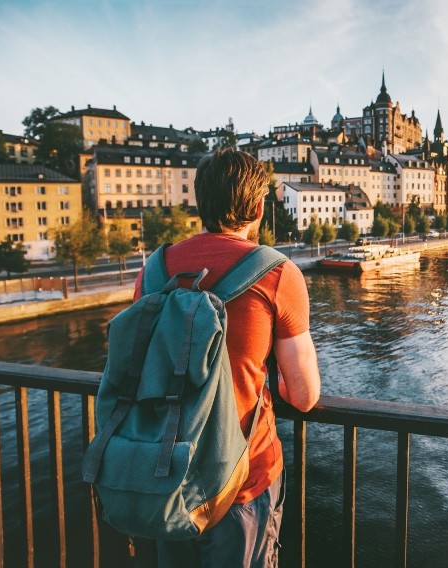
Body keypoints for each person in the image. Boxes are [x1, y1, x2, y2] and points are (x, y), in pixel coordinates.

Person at [133, 148, 321, 567]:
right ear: (258, 206)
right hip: (242, 482)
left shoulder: (154, 271)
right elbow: (305, 395)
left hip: (167, 474)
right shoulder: (277, 273)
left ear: (200, 203)